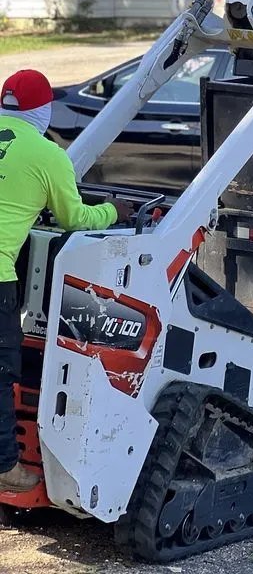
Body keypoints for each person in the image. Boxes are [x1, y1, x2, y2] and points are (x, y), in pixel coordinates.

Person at [0, 69, 133, 492]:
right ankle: (6, 466)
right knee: (2, 374)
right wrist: (115, 211)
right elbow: (74, 219)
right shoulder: (46, 155)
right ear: (43, 110)